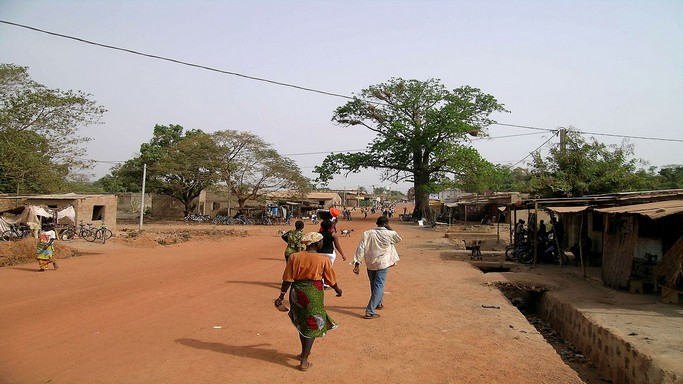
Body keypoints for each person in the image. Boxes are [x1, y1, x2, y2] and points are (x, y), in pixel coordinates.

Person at [275, 232, 342, 371]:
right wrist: (337, 290)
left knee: (302, 322)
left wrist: (281, 296)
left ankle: (303, 353)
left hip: (296, 293)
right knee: (312, 325)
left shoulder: (294, 257)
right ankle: (304, 360)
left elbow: (287, 279)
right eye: (321, 242)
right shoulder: (323, 260)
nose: (322, 244)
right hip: (313, 293)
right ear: (317, 244)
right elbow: (330, 280)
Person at [353, 216, 401, 319]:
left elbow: (361, 248)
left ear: (376, 223)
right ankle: (370, 310)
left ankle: (378, 303)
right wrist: (389, 227)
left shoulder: (367, 233)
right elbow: (398, 239)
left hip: (370, 262)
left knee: (374, 284)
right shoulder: (390, 233)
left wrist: (357, 263)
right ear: (386, 224)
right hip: (383, 263)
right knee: (379, 285)